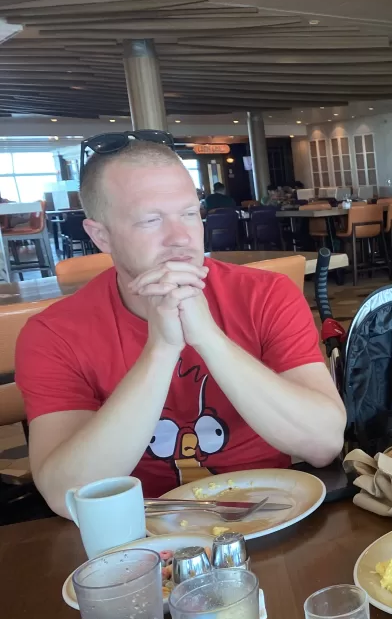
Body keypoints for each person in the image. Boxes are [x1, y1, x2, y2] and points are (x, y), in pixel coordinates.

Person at [15, 139, 347, 517]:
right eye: (151, 220)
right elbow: (66, 495)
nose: (180, 237)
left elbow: (324, 444)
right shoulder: (54, 333)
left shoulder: (265, 295)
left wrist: (207, 337)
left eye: (189, 214)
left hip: (267, 515)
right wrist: (161, 349)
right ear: (100, 235)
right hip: (137, 536)